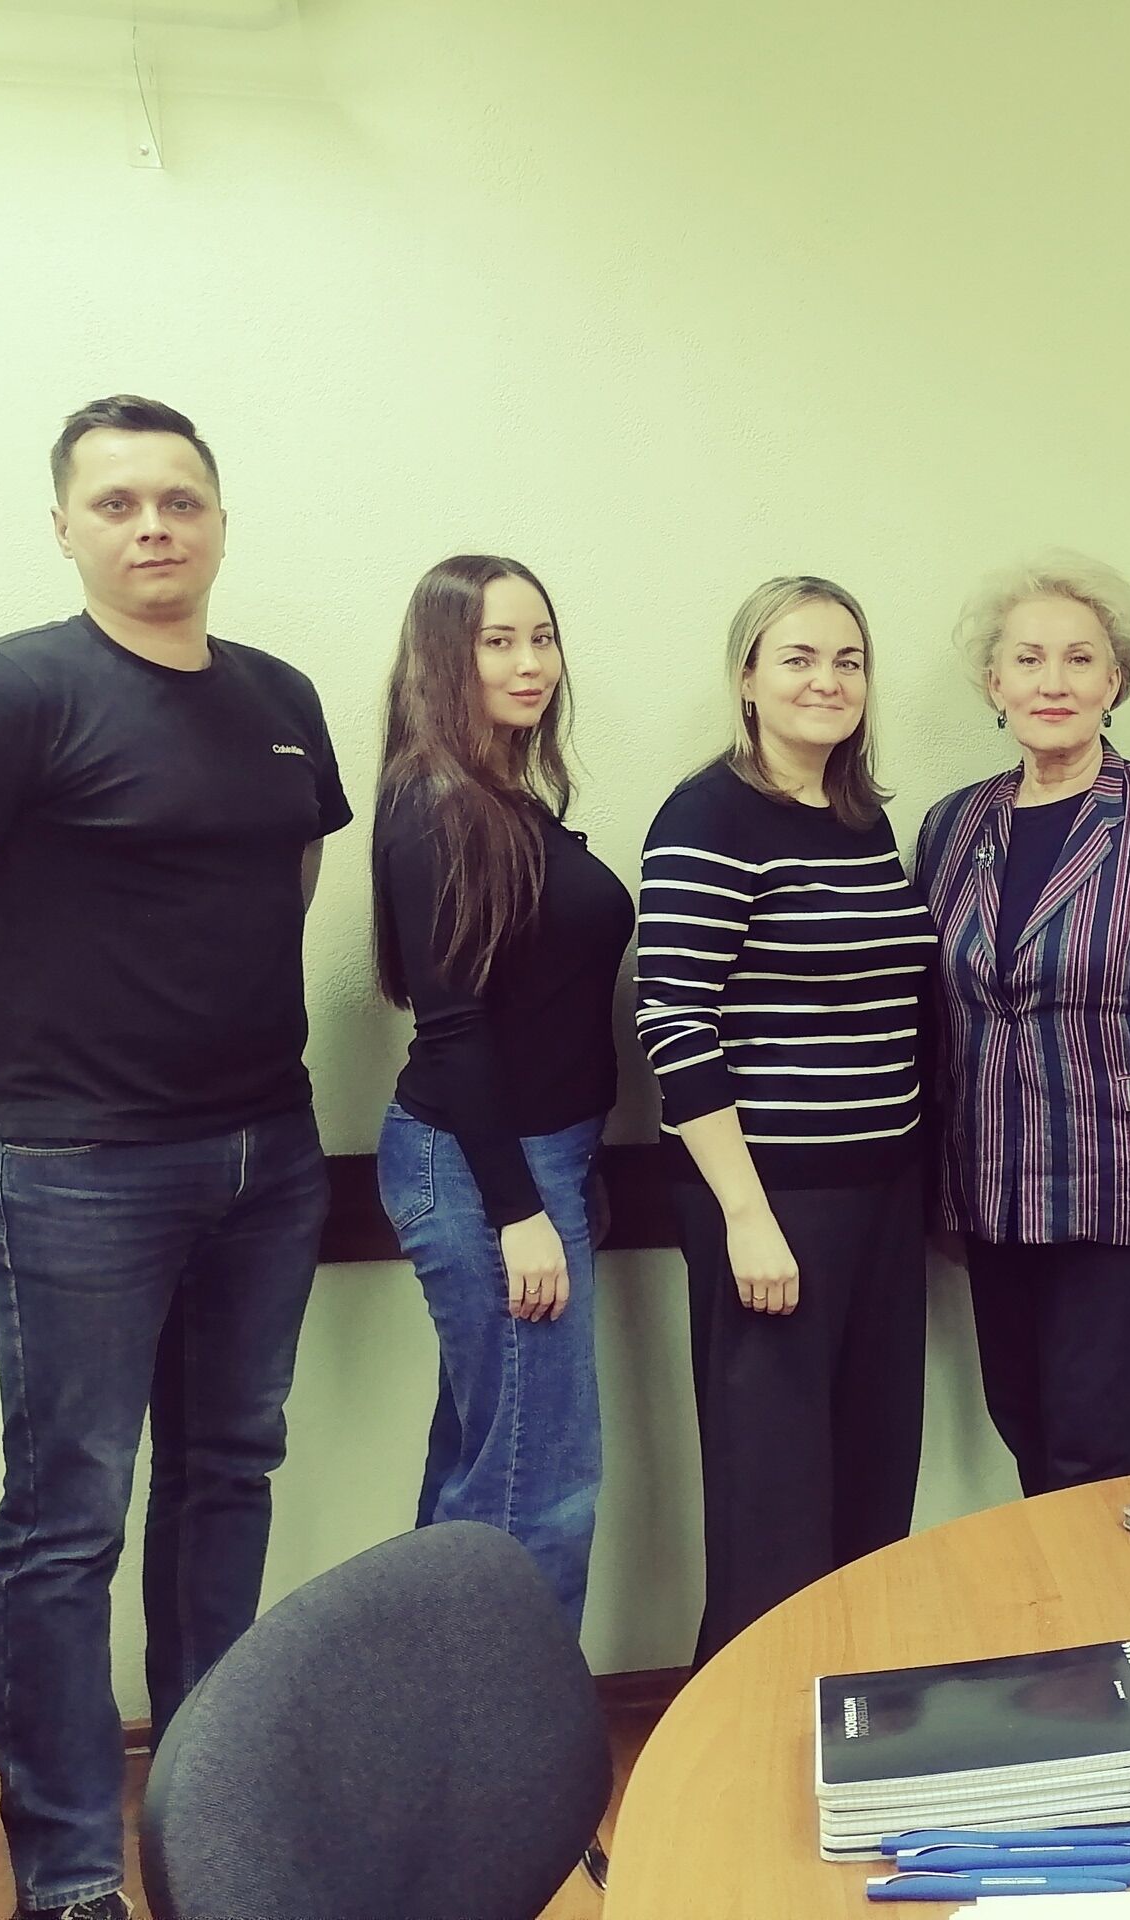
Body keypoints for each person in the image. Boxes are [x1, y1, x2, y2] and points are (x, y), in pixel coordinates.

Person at [0, 396, 349, 1920]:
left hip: (267, 1158)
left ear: (221, 520)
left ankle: (211, 1810)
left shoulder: (281, 699)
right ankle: (66, 1873)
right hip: (77, 1176)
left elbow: (284, 885)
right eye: (116, 503)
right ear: (63, 526)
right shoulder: (4, 694)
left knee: (228, 1479)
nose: (153, 526)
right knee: (66, 1524)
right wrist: (9, 1106)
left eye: (180, 499)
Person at [636, 577, 934, 1659]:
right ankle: (752, 1729)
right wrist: (749, 1217)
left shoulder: (860, 819)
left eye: (848, 660)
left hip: (882, 1198)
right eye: (798, 658)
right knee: (774, 1502)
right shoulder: (706, 816)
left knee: (871, 1482)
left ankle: (859, 1710)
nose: (827, 681)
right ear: (747, 679)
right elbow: (673, 1019)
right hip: (772, 1206)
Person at [918, 552, 1130, 1494]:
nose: (1052, 682)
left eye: (1078, 659)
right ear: (994, 683)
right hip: (991, 1194)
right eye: (1027, 660)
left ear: (1115, 681)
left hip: (1120, 1196)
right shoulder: (951, 826)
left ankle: (1098, 1597)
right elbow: (936, 1020)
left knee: (1091, 1457)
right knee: (1022, 1428)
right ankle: (1054, 1593)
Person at [371, 555, 631, 1630]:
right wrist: (519, 1211)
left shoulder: (505, 798)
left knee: (487, 1471)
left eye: (543, 637)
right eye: (497, 642)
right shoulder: (437, 806)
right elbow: (455, 1026)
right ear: (447, 659)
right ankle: (514, 1729)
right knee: (537, 1488)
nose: (531, 663)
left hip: (540, 1158)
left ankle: (434, 1713)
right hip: (486, 1169)